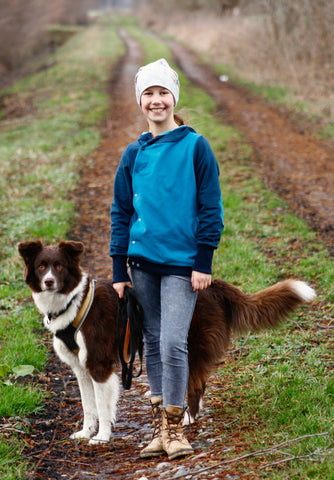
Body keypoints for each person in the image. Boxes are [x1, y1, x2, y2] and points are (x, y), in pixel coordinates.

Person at [109, 58, 224, 460]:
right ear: (139, 100)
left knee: (174, 341)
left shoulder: (195, 146)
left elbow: (211, 207)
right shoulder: (133, 153)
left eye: (163, 93)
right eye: (148, 94)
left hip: (181, 264)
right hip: (141, 265)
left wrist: (203, 261)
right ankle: (160, 429)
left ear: (174, 99)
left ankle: (176, 428)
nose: (156, 101)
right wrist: (117, 269)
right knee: (153, 343)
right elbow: (121, 212)